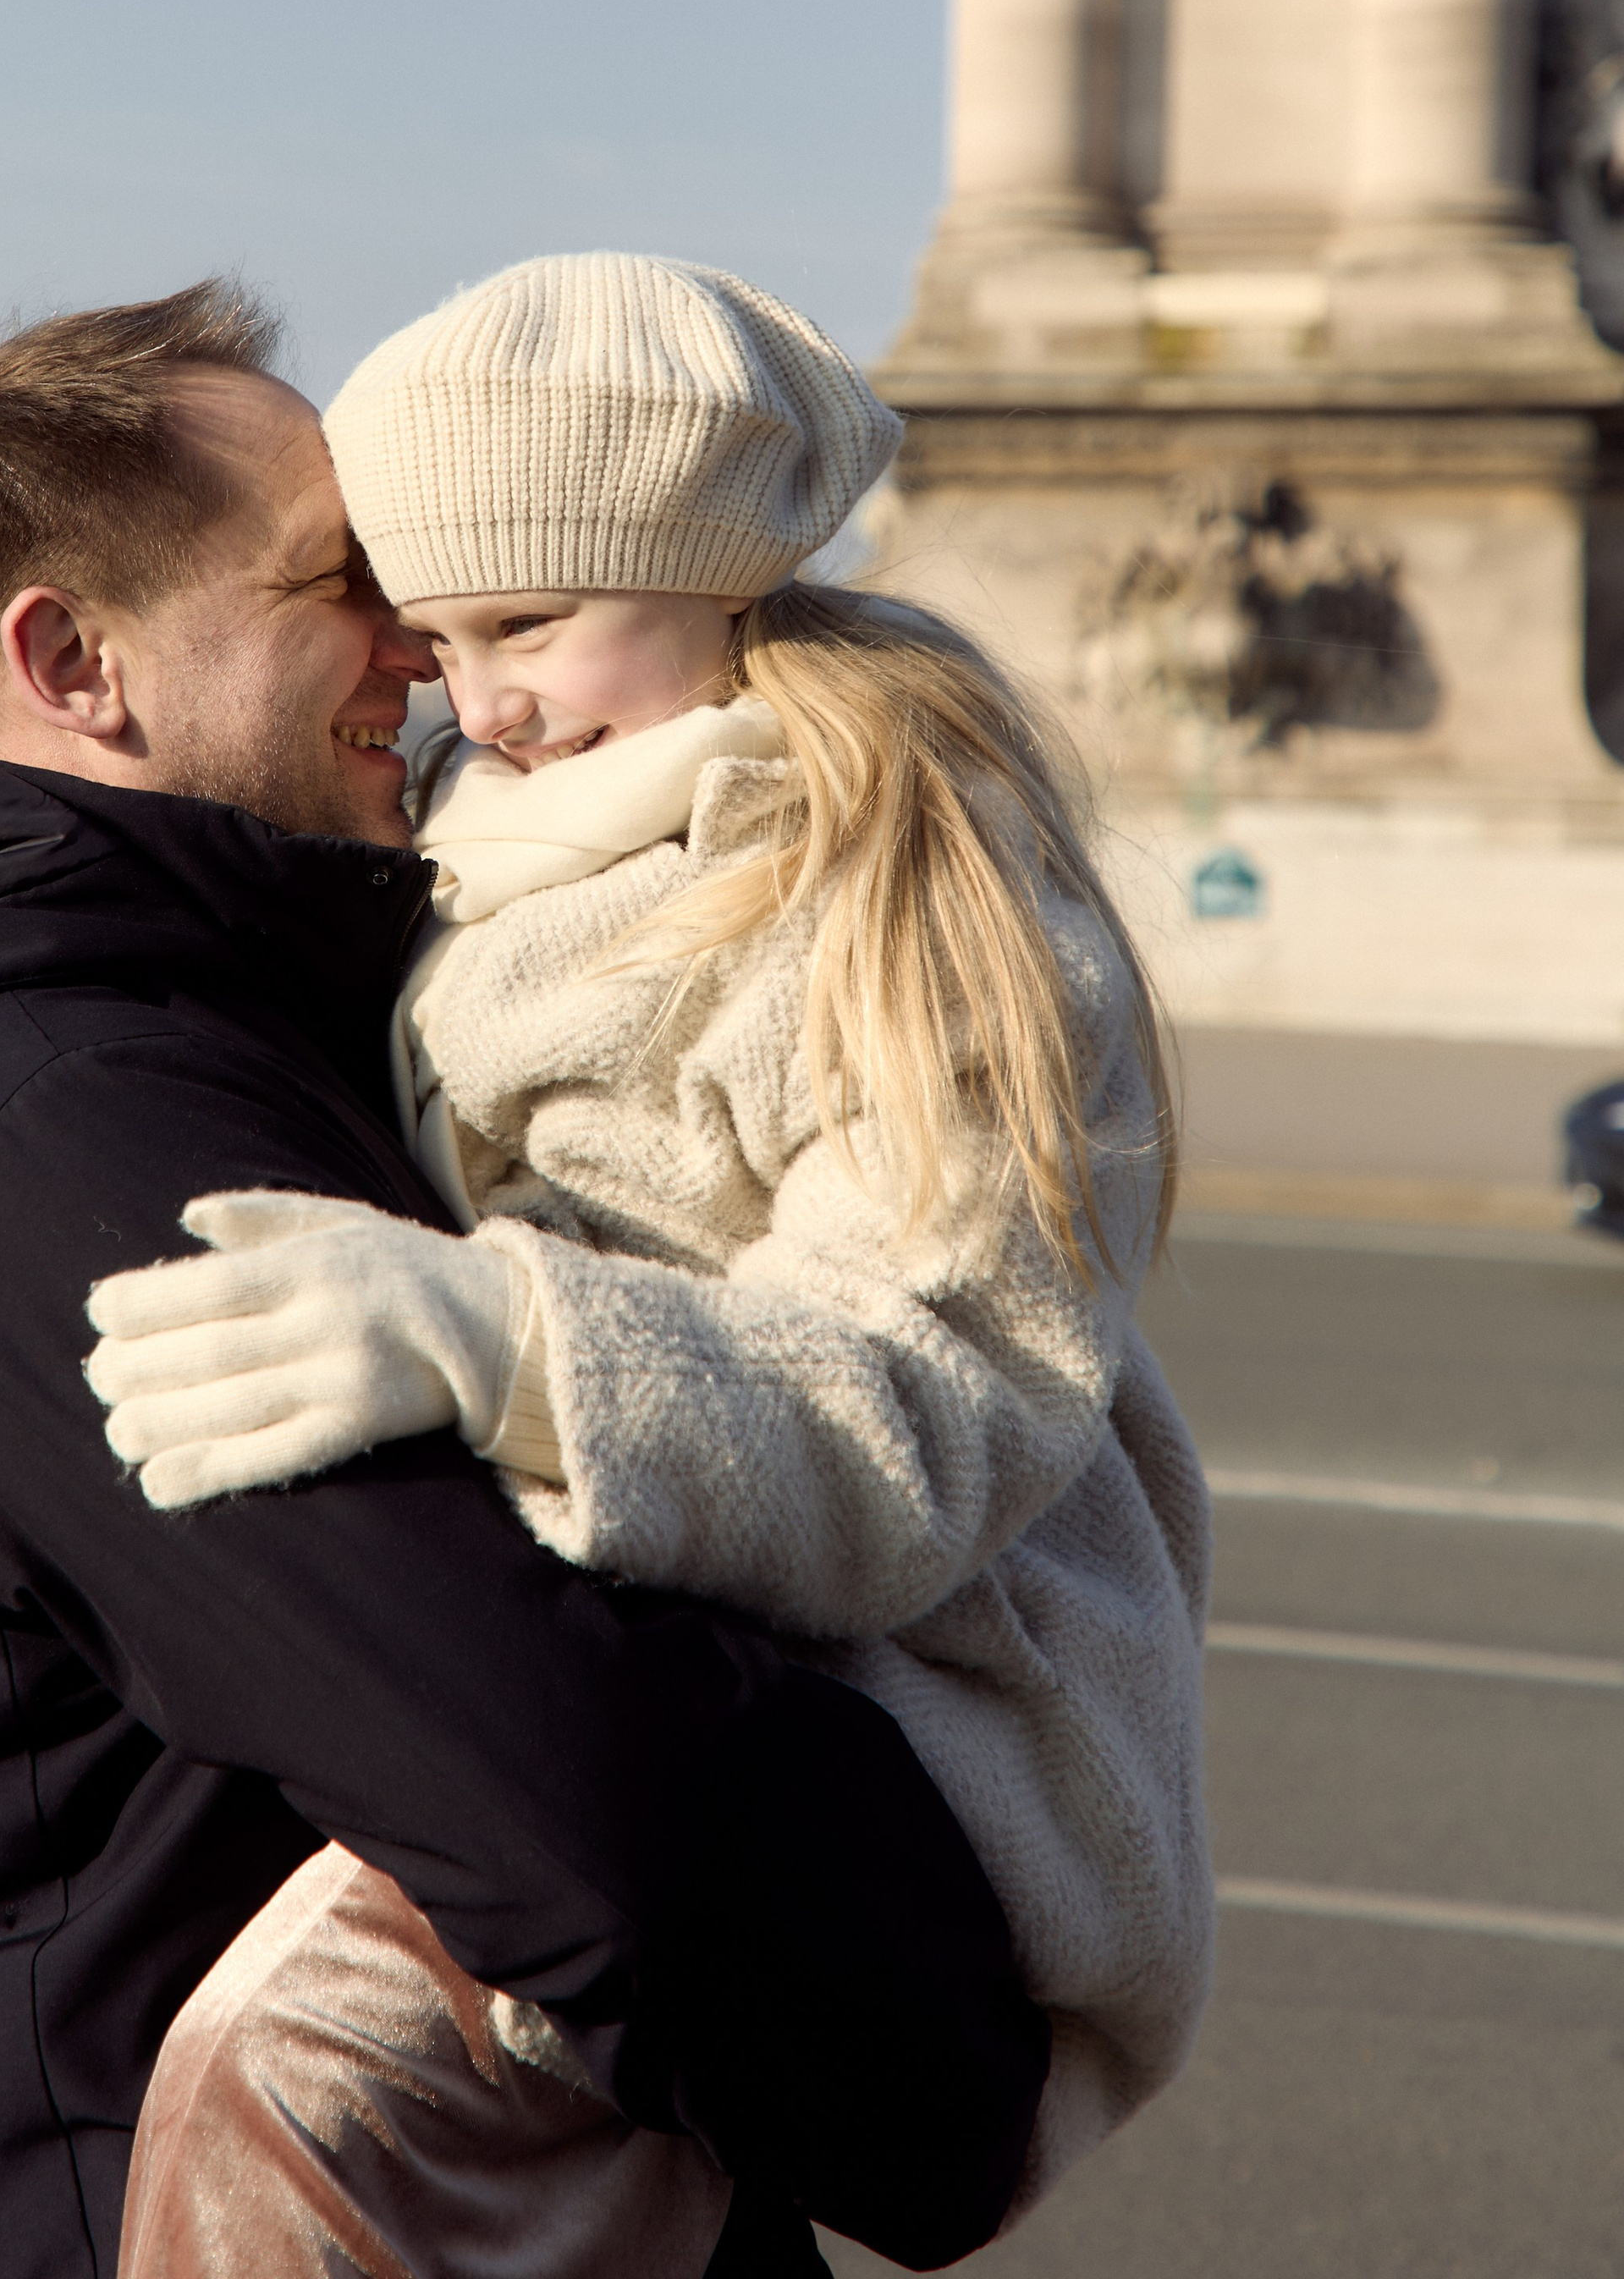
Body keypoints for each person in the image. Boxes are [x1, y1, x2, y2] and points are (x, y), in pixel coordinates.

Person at [0, 285, 1049, 2279]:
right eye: (343, 585)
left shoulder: (87, 1043)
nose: (421, 650)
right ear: (75, 657)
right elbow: (575, 1791)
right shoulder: (78, 1121)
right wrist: (952, 2048)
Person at [87, 254, 1214, 2271]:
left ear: (711, 567)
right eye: (434, 637)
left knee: (285, 2081)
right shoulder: (504, 812)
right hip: (632, 1642)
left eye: (526, 618)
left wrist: (498, 1339)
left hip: (909, 1691)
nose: (485, 696)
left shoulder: (899, 878)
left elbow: (935, 1396)